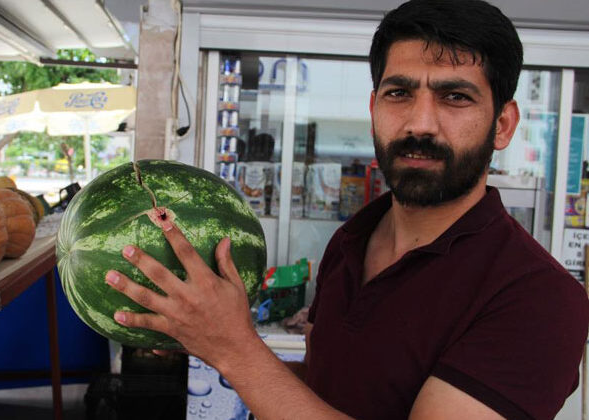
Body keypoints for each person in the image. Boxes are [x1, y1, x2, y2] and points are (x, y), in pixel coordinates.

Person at [102, 0, 589, 418]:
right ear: (374, 106)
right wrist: (205, 334)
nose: (420, 123)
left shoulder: (541, 300)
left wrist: (234, 349)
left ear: (502, 125)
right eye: (400, 93)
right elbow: (330, 388)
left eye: (455, 97)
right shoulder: (353, 240)